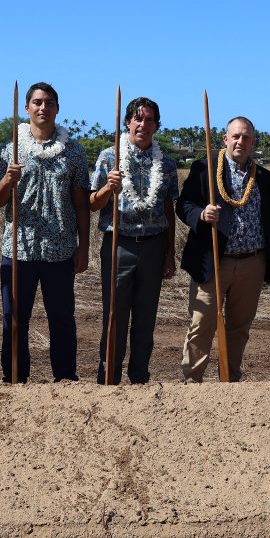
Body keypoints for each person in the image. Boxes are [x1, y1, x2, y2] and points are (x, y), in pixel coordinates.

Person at [0, 83, 90, 383]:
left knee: (62, 320)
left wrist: (83, 248)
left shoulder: (73, 151)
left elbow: (82, 204)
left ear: (57, 108)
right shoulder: (10, 149)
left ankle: (66, 379)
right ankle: (15, 380)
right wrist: (7, 180)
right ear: (27, 108)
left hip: (59, 250)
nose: (43, 107)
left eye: (49, 102)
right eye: (37, 102)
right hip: (19, 250)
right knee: (15, 321)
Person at [177, 116, 270, 382]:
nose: (241, 141)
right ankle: (192, 380)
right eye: (235, 136)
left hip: (252, 263)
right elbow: (183, 206)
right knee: (201, 324)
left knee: (239, 328)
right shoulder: (204, 168)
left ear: (253, 142)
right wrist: (202, 214)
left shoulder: (262, 176)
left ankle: (231, 380)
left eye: (246, 137)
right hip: (213, 261)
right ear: (225, 139)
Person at [89, 97, 178, 384]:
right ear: (127, 122)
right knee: (114, 316)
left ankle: (139, 379)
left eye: (150, 119)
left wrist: (169, 252)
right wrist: (108, 189)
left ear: (156, 125)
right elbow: (92, 204)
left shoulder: (166, 163)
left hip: (153, 246)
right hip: (118, 245)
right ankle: (108, 379)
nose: (143, 124)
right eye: (138, 119)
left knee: (145, 319)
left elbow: (168, 208)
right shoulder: (109, 157)